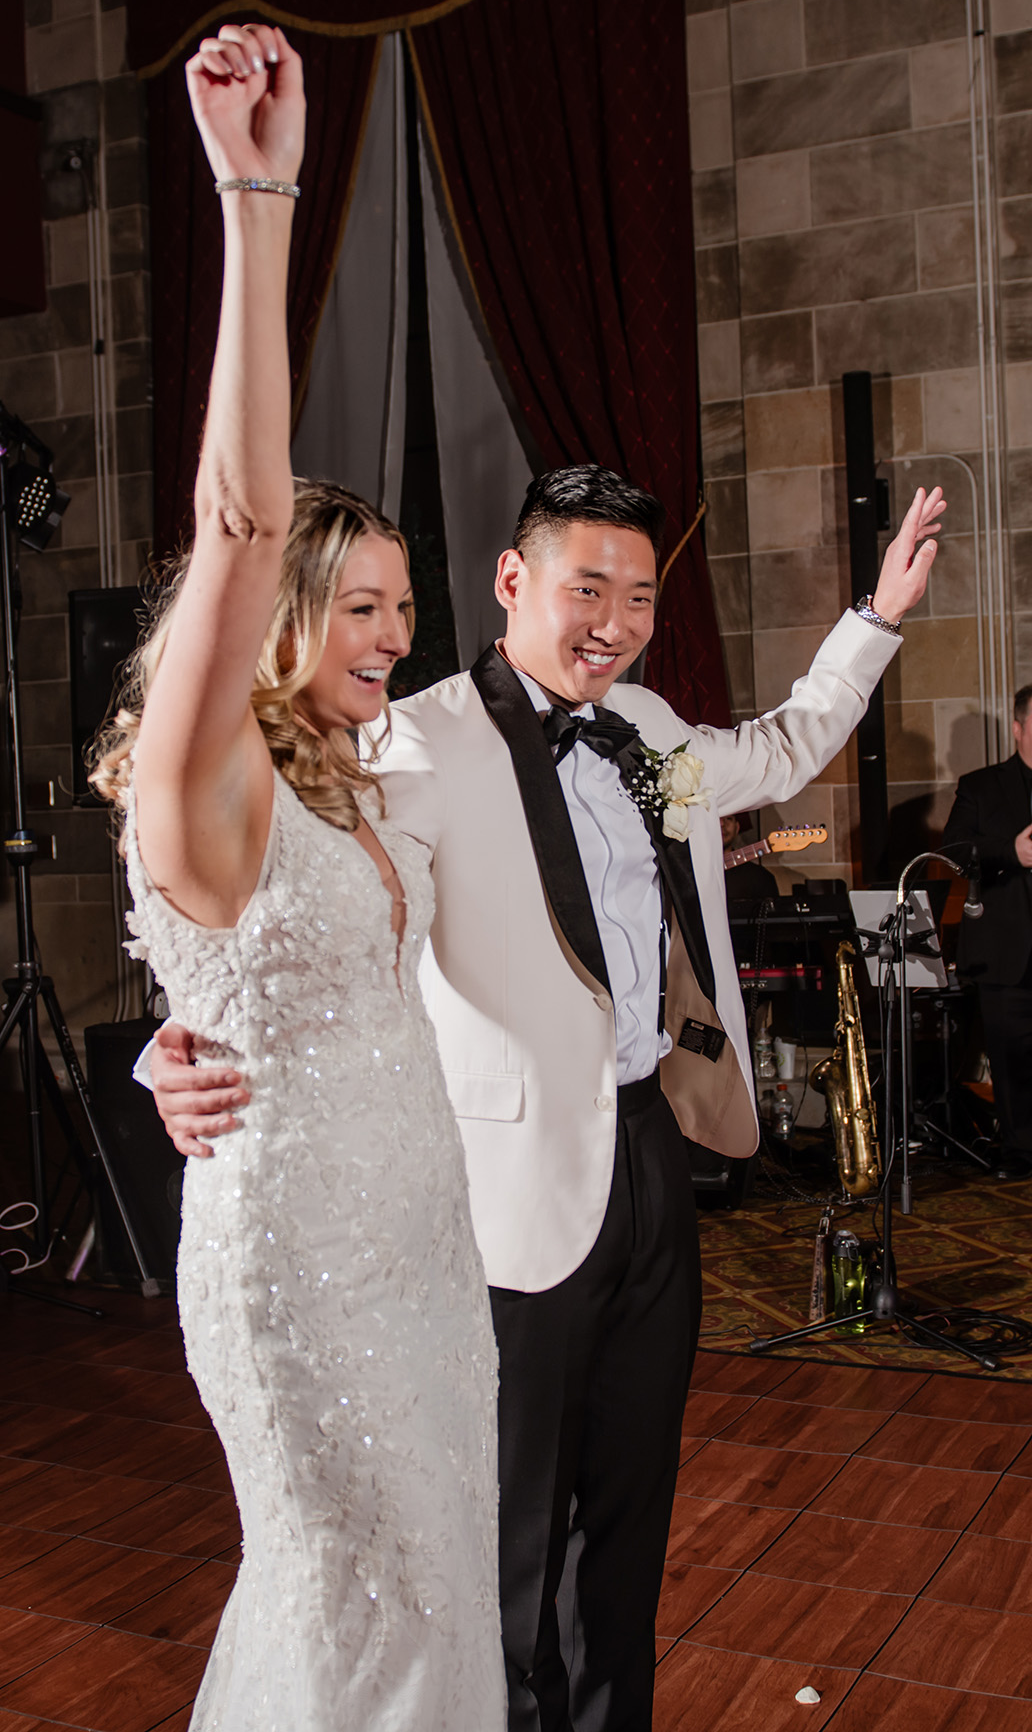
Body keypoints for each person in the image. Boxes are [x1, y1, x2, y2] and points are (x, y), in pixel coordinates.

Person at [153, 464, 942, 1731]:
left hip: (652, 1155)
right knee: (512, 1546)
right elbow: (285, 905)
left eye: (637, 597)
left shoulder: (653, 732)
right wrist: (174, 1047)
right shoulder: (414, 738)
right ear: (514, 583)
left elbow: (786, 745)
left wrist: (877, 617)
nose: (614, 621)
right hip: (497, 1199)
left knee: (629, 1529)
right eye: (588, 588)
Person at [94, 24, 504, 1731]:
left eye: (409, 608)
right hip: (297, 1276)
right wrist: (258, 199)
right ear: (267, 615)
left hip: (419, 1244)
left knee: (438, 1587)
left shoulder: (349, 780)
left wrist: (163, 1036)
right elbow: (242, 515)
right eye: (362, 607)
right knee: (356, 1598)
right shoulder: (205, 779)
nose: (396, 640)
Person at [942, 683, 1032, 1180]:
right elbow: (953, 851)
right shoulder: (981, 786)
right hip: (1008, 950)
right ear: (1018, 728)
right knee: (1011, 1058)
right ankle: (1020, 1151)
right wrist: (1008, 851)